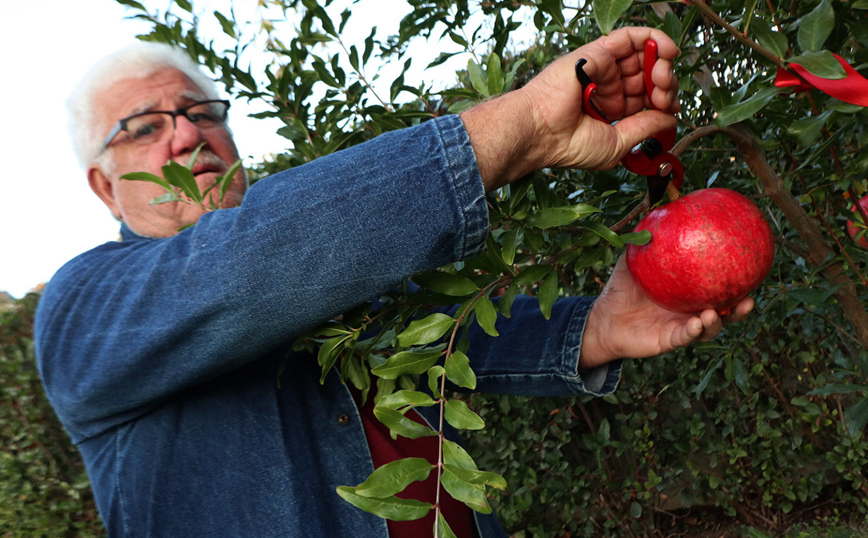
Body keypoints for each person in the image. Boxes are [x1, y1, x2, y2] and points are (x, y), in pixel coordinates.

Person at [35, 27, 753, 538]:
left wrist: (594, 328)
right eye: (144, 127)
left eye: (201, 113)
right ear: (104, 186)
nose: (188, 136)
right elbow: (237, 270)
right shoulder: (83, 312)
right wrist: (521, 126)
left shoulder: (330, 280)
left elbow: (439, 335)